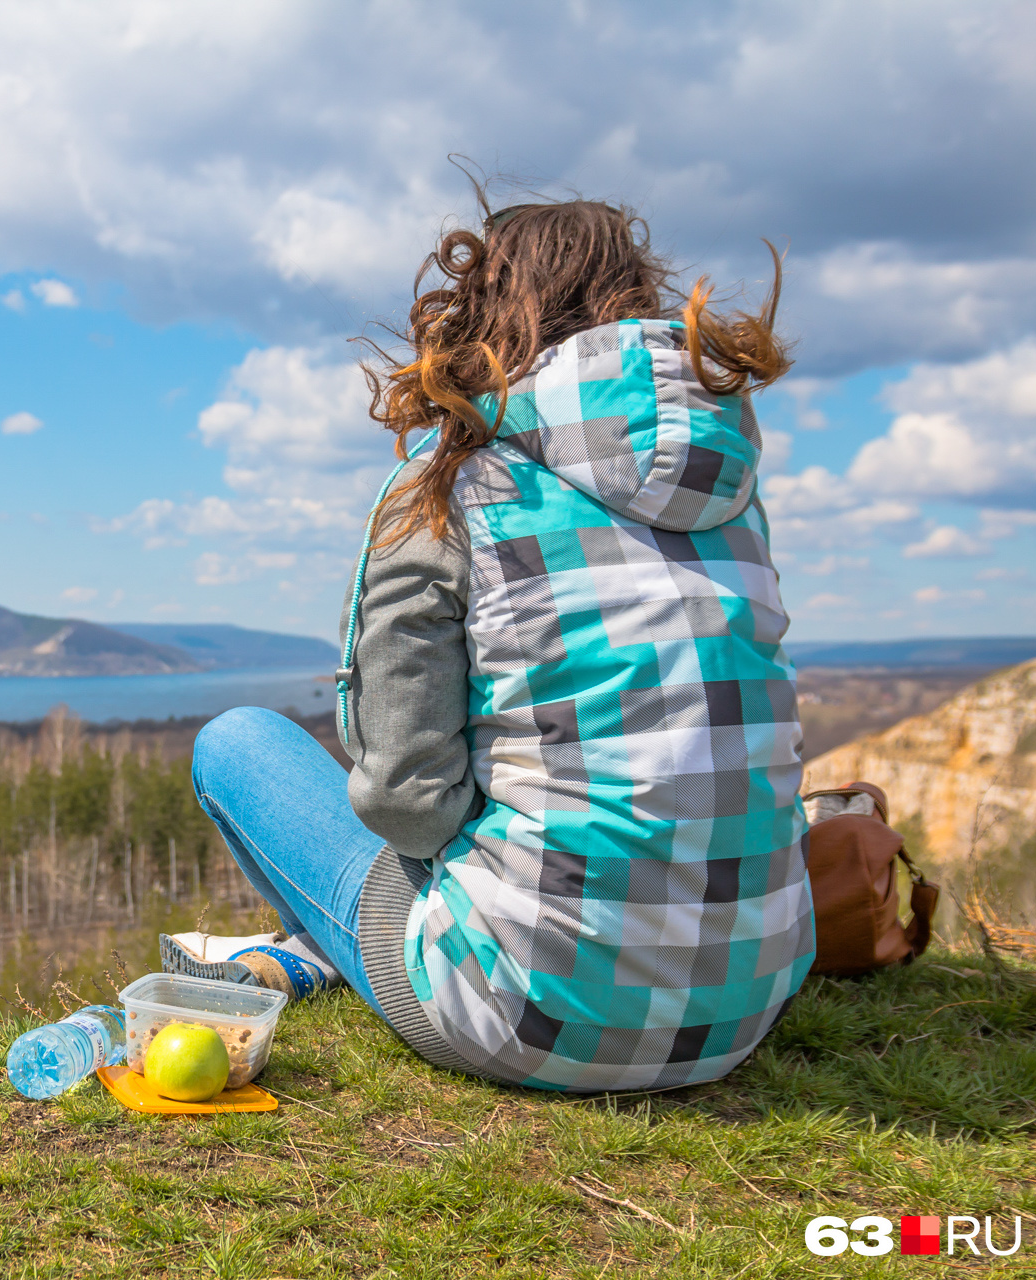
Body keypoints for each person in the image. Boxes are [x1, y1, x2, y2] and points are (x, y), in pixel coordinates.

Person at [163, 196, 814, 1093]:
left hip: (523, 1014)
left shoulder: (448, 487)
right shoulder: (732, 496)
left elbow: (406, 803)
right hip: (744, 1006)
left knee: (235, 742)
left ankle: (331, 950)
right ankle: (328, 946)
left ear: (480, 311)